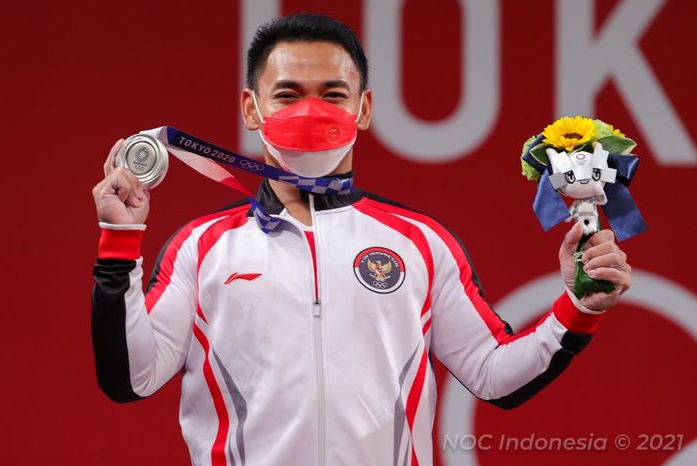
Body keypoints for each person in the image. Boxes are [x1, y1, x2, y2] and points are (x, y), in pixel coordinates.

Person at [91, 13, 631, 466]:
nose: (311, 110)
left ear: (363, 108)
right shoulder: (203, 247)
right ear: (251, 109)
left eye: (333, 94)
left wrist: (578, 307)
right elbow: (130, 378)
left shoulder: (421, 242)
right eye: (287, 94)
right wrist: (121, 238)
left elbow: (495, 377)